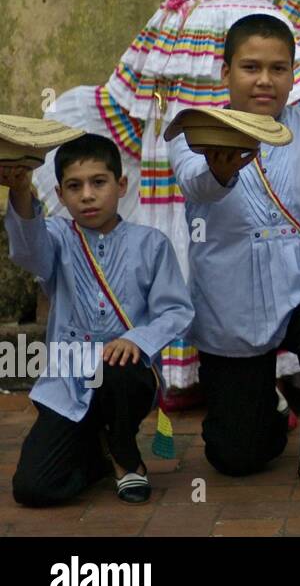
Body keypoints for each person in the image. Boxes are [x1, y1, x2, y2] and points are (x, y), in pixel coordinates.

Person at [35, 0, 300, 395]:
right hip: (161, 159)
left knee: (214, 255)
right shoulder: (172, 6)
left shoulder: (250, 8)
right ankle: (176, 372)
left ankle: (242, 371)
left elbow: (287, 80)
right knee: (172, 252)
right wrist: (82, 121)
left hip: (217, 162)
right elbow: (131, 93)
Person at [168, 15, 300, 496]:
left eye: (278, 68)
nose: (265, 80)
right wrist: (219, 174)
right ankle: (271, 408)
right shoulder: (193, 131)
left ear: (293, 73)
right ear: (225, 73)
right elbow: (194, 181)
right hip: (230, 302)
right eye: (250, 67)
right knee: (236, 458)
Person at [6, 134, 193, 505]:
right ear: (60, 195)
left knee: (118, 367)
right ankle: (97, 453)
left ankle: (127, 461)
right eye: (74, 186)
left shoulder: (151, 244)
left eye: (98, 182)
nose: (87, 195)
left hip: (126, 377)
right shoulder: (56, 236)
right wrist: (21, 190)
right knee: (33, 488)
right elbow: (29, 253)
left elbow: (176, 311)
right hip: (68, 382)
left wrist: (136, 340)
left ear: (121, 185)